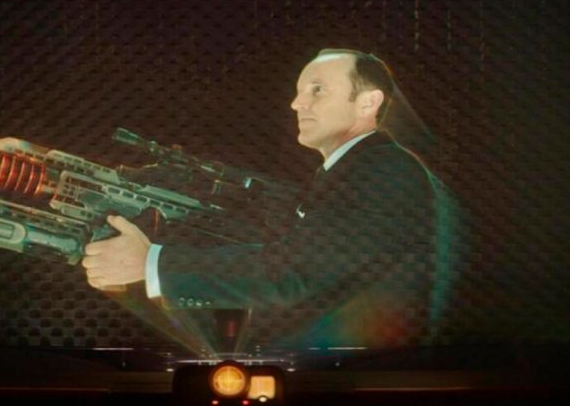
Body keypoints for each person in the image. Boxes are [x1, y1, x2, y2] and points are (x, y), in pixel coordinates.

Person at [81, 49, 460, 347]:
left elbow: (294, 274)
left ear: (368, 103)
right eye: (299, 92)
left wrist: (154, 264)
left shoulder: (384, 170)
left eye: (317, 90)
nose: (297, 103)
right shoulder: (355, 167)